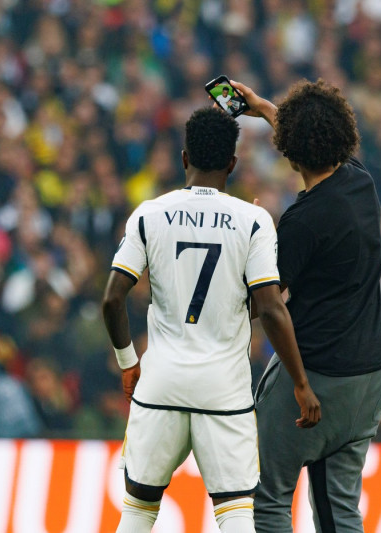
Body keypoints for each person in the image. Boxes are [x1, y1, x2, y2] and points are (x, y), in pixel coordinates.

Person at [101, 107, 321, 533]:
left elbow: (112, 299)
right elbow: (271, 309)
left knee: (139, 509)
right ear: (232, 165)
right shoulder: (253, 221)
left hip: (161, 383)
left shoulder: (149, 213)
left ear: (185, 158)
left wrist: (129, 363)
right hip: (224, 390)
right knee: (236, 513)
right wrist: (300, 382)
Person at [232, 79, 381, 532]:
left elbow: (266, 304)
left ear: (290, 152)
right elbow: (316, 139)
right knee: (339, 508)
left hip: (318, 381)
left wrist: (300, 385)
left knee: (266, 500)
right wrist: (265, 108)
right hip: (370, 379)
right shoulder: (361, 183)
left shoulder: (302, 222)